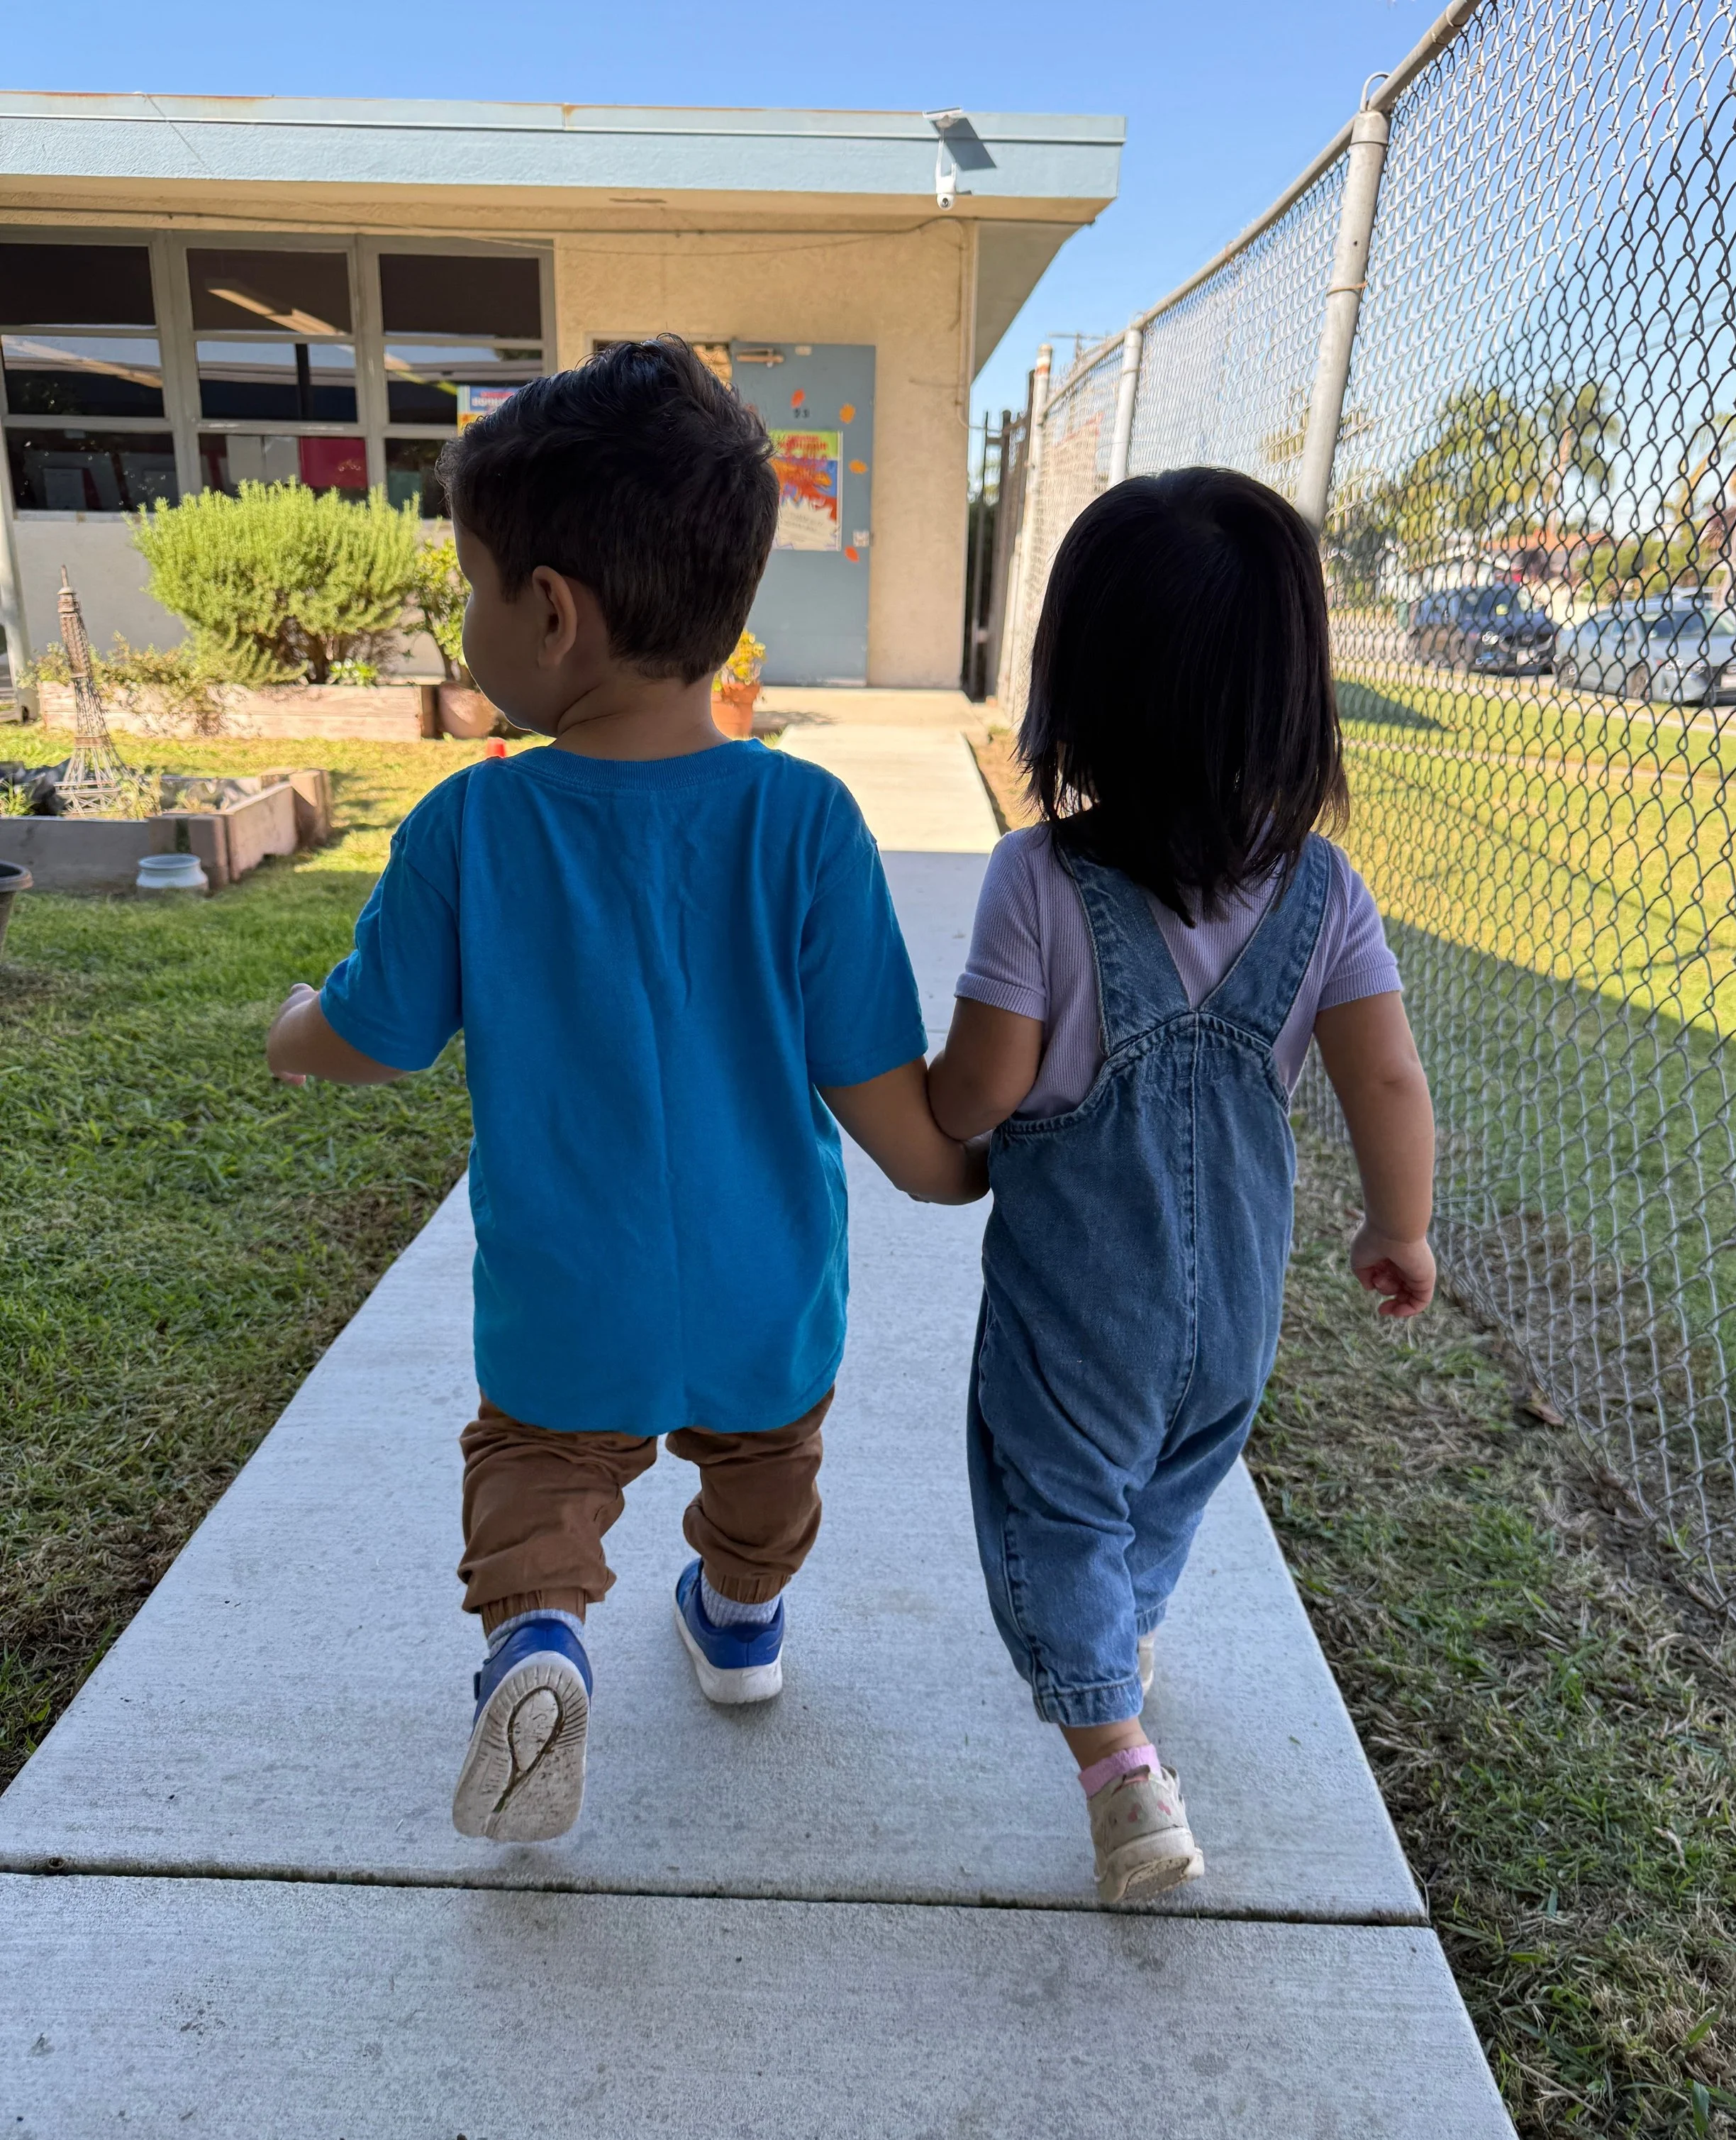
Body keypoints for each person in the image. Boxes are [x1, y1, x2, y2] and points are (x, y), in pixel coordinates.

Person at [266, 338, 979, 1846]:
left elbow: (373, 1033)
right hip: (761, 1294)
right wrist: (964, 1168)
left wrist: (292, 1029)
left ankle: (536, 1646)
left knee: (535, 1485)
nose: (464, 622)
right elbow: (882, 1099)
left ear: (549, 614)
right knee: (766, 1480)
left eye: (467, 587)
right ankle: (734, 1625)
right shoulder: (804, 822)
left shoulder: (473, 827)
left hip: (566, 1299)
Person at [927, 467, 1436, 1906]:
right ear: (1292, 701)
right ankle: (1127, 1635)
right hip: (1233, 1324)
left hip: (1076, 1314)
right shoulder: (1324, 894)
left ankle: (1115, 1762)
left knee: (1050, 1503)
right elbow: (1385, 1084)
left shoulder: (1039, 882)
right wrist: (1395, 1226)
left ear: (1075, 689)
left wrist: (939, 1112)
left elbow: (977, 1089)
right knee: (1165, 1490)